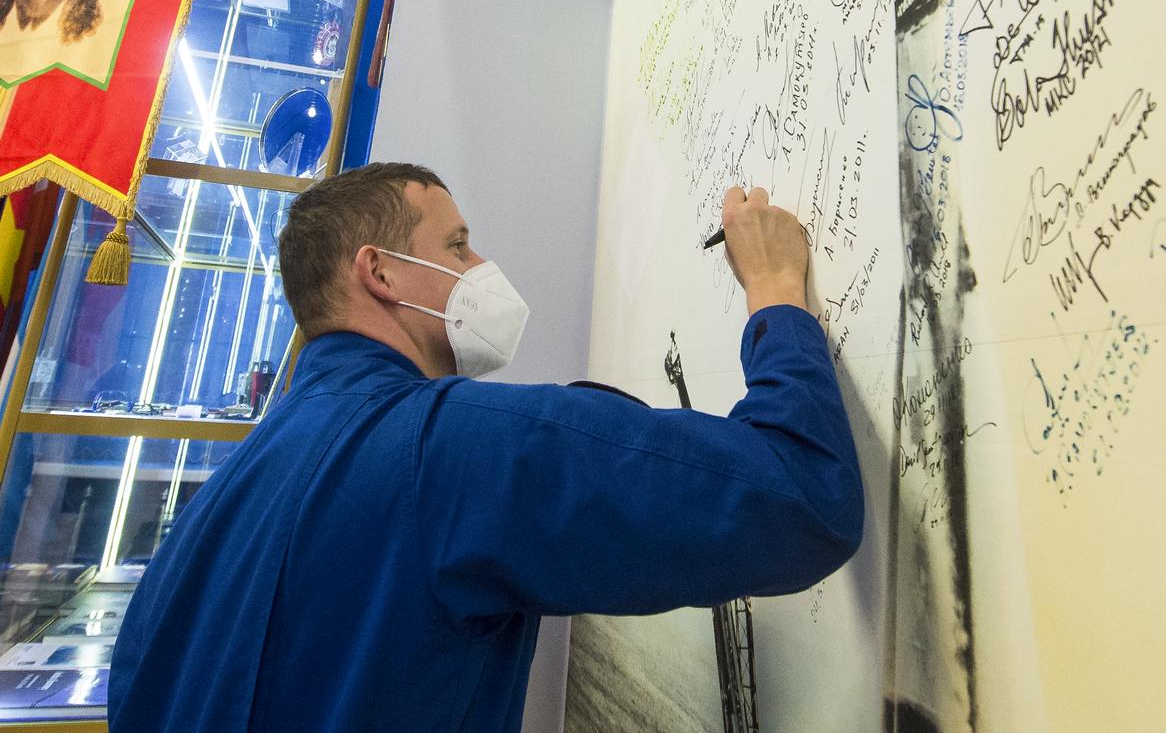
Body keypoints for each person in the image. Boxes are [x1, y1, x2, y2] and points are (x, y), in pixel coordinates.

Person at [108, 163, 864, 732]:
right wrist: (774, 289)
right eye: (459, 246)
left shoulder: (215, 504)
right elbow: (804, 498)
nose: (480, 271)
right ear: (379, 272)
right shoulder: (452, 448)